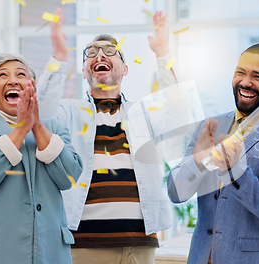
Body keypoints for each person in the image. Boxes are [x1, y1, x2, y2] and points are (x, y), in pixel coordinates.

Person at [35, 8, 178, 264]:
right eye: (91, 53)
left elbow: (178, 113)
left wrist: (163, 54)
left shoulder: (143, 112)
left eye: (110, 51)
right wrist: (58, 57)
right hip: (84, 243)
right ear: (84, 70)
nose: (100, 54)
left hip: (139, 242)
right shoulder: (68, 110)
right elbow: (40, 115)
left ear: (124, 68)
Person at [167, 43, 259, 264]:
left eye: (258, 76)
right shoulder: (210, 127)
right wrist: (197, 162)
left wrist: (236, 170)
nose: (246, 82)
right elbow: (175, 193)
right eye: (241, 72)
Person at [0, 53, 82, 264]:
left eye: (21, 74)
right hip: (0, 253)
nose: (13, 80)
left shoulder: (54, 127)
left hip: (52, 252)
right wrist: (21, 129)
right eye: (2, 75)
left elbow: (69, 178)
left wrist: (37, 126)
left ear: (32, 89)